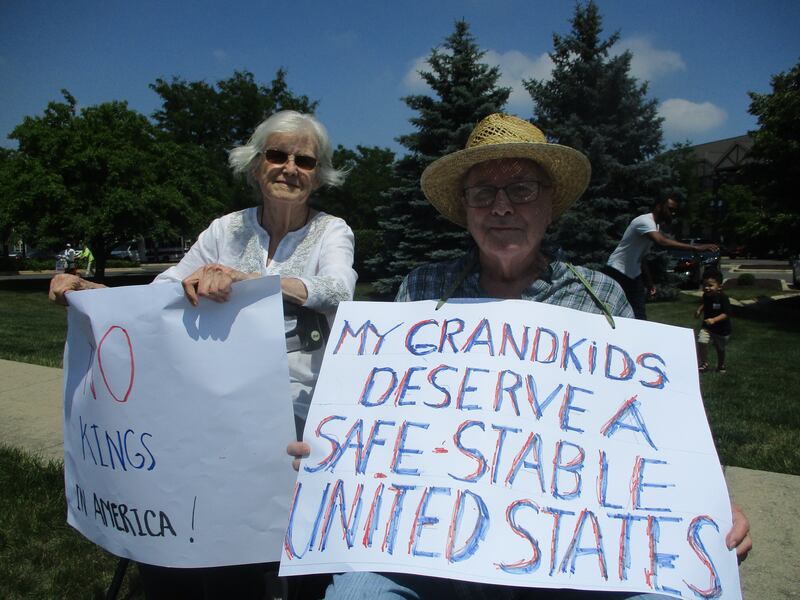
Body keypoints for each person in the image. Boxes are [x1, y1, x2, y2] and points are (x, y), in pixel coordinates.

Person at [288, 113, 751, 600]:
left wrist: (710, 501)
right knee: (357, 594)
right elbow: (381, 417)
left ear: (551, 205)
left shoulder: (601, 299)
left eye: (522, 189)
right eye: (483, 193)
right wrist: (333, 453)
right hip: (432, 538)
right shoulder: (422, 289)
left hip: (569, 545)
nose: (501, 207)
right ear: (465, 209)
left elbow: (654, 425)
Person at [50, 110, 357, 599]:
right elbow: (162, 292)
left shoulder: (330, 231)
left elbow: (340, 290)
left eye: (305, 160)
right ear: (257, 165)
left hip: (295, 403)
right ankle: (183, 564)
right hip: (214, 397)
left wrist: (254, 285)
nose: (289, 168)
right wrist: (92, 291)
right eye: (277, 155)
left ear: (318, 176)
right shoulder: (226, 229)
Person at [603, 196, 719, 320]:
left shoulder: (654, 227)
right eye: (670, 209)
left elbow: (642, 257)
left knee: (639, 315)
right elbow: (661, 241)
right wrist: (695, 247)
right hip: (617, 270)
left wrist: (649, 282)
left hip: (632, 275)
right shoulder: (644, 221)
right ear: (658, 207)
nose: (673, 213)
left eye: (675, 211)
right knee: (609, 310)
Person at [695, 270, 731, 373]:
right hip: (707, 326)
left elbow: (726, 313)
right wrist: (699, 310)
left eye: (710, 285)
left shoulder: (723, 298)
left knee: (720, 349)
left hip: (721, 329)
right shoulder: (706, 296)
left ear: (719, 286)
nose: (706, 288)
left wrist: (714, 320)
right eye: (705, 285)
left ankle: (721, 365)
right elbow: (705, 304)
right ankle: (704, 363)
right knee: (701, 341)